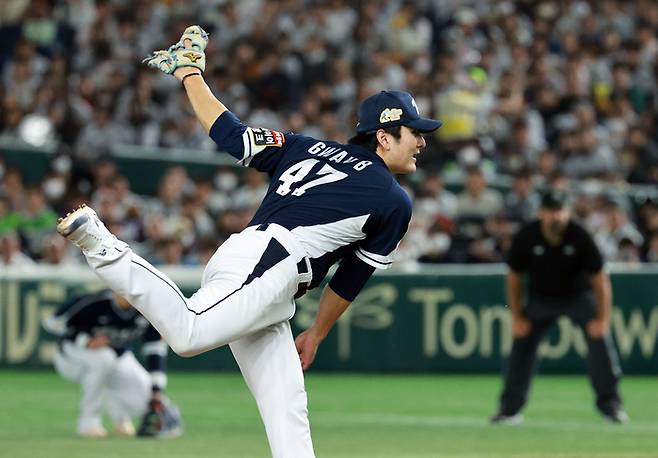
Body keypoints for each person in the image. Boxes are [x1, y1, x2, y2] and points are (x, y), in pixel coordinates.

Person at [55, 26, 442, 457]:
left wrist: (190, 75)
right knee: (188, 334)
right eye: (414, 132)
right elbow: (351, 277)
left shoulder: (305, 146)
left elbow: (229, 133)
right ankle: (102, 245)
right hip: (270, 264)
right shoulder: (392, 200)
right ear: (385, 137)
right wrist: (317, 332)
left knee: (286, 404)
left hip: (254, 263)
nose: (423, 141)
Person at [491, 188, 628, 425]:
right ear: (541, 213)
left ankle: (611, 406)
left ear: (568, 212)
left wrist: (602, 319)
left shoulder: (580, 235)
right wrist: (517, 316)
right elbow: (513, 277)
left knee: (600, 342)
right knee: (521, 345)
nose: (557, 216)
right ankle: (509, 410)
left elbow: (600, 279)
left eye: (561, 211)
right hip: (541, 299)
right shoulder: (527, 235)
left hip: (579, 298)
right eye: (551, 211)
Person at [42, 289, 182, 438]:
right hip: (70, 357)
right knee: (104, 360)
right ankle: (88, 423)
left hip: (116, 356)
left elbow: (155, 349)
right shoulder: (95, 301)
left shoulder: (147, 310)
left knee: (146, 394)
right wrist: (85, 340)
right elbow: (52, 323)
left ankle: (120, 418)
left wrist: (156, 390)